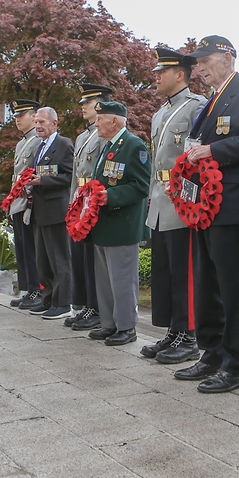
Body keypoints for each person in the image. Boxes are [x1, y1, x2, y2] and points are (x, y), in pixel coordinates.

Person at [172, 35, 239, 394]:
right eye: (197, 61)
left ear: (228, 56)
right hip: (203, 205)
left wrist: (213, 150)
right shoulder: (211, 100)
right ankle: (212, 353)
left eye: (205, 59)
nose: (198, 67)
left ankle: (236, 365)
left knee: (232, 288)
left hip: (229, 204)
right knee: (207, 284)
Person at [143, 49, 205, 363]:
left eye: (161, 72)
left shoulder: (196, 107)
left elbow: (197, 156)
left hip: (183, 199)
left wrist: (189, 195)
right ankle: (173, 330)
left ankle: (189, 334)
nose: (156, 76)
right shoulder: (159, 113)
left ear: (179, 74)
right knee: (166, 272)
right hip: (160, 196)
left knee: (185, 272)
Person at [86, 101, 151, 346]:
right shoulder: (108, 146)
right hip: (104, 223)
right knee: (104, 279)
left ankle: (126, 327)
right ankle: (109, 323)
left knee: (123, 279)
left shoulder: (134, 146)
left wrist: (111, 197)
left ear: (114, 121)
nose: (96, 124)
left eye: (99, 119)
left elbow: (141, 185)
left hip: (123, 224)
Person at [65, 83, 113, 330]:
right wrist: (73, 203)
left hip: (94, 200)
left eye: (87, 102)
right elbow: (76, 174)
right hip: (81, 199)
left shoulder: (107, 133)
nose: (82, 106)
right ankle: (85, 305)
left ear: (99, 104)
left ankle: (96, 307)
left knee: (95, 258)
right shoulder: (83, 136)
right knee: (82, 257)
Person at [27, 107, 75, 319]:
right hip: (40, 209)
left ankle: (63, 302)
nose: (38, 126)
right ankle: (47, 298)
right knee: (43, 259)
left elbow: (69, 176)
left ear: (54, 123)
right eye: (36, 122)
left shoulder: (63, 144)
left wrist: (44, 181)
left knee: (59, 258)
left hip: (56, 209)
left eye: (42, 122)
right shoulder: (40, 147)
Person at [7, 100, 43, 310]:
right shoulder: (22, 143)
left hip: (30, 201)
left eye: (22, 115)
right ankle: (27, 289)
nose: (18, 119)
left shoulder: (38, 140)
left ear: (34, 115)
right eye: (16, 116)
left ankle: (37, 289)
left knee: (31, 248)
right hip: (18, 201)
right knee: (21, 248)